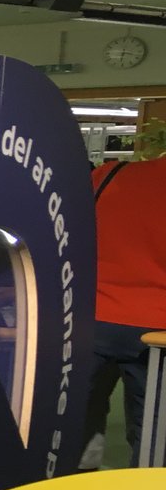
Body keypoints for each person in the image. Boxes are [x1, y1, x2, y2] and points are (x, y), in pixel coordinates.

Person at [83, 143, 166, 468]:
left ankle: (72, 484)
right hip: (157, 331)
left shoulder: (109, 174)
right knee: (153, 432)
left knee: (79, 419)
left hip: (93, 319)